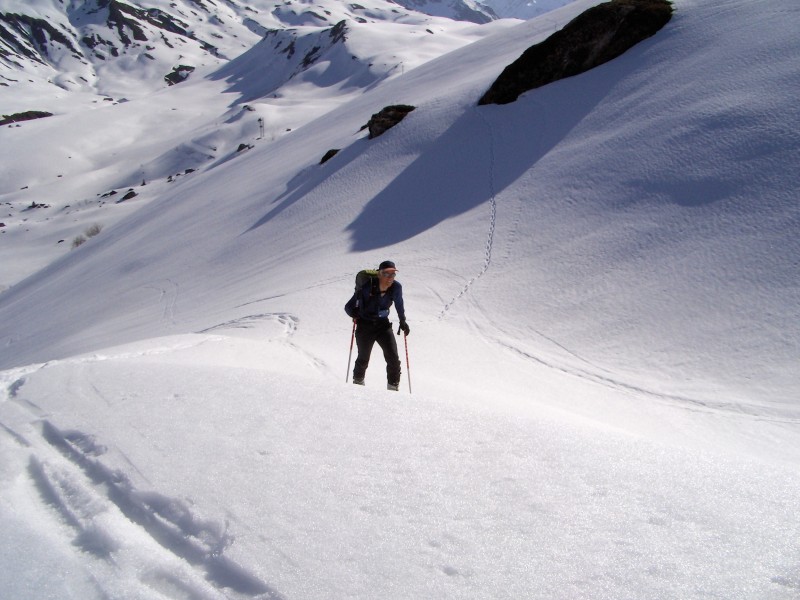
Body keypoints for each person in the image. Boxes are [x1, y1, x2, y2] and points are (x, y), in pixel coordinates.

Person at [345, 260, 410, 391]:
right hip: (365, 325)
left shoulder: (396, 288)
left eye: (393, 274)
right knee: (363, 358)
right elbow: (348, 306)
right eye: (387, 274)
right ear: (379, 274)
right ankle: (358, 386)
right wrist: (354, 313)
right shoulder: (366, 287)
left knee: (393, 358)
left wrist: (402, 321)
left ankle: (393, 388)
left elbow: (399, 304)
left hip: (383, 325)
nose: (390, 278)